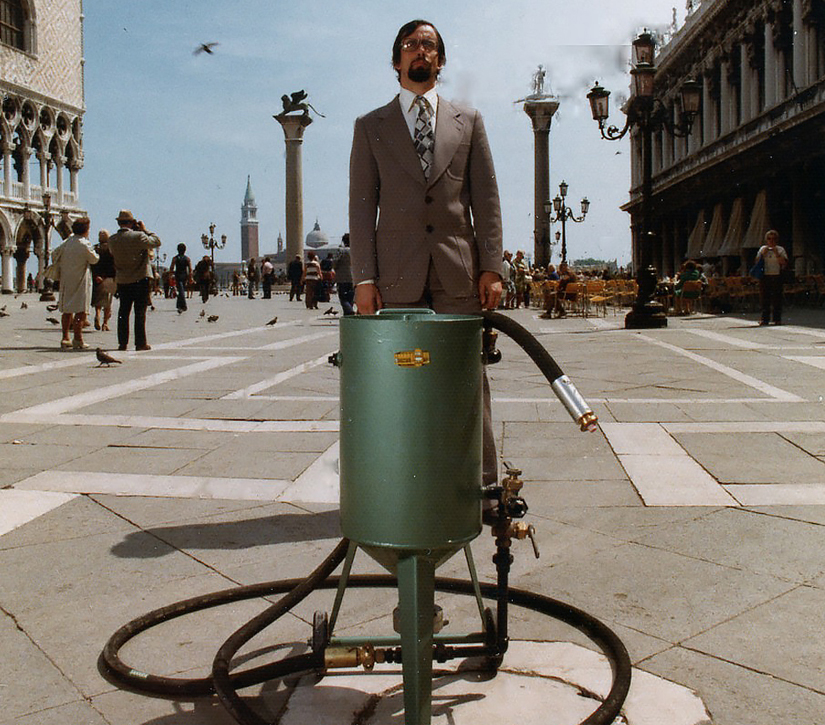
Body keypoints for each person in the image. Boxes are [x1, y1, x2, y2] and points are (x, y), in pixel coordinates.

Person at [349, 19, 503, 489]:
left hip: (458, 272)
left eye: (430, 45)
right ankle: (407, 484)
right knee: (403, 382)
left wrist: (492, 267)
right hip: (397, 278)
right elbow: (361, 206)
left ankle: (481, 484)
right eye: (412, 45)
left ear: (440, 60)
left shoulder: (469, 121)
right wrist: (363, 278)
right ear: (396, 60)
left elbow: (486, 198)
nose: (421, 51)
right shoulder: (369, 126)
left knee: (466, 380)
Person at [108, 209, 161, 351]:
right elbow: (156, 241)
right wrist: (145, 230)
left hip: (123, 280)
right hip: (140, 279)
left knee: (123, 312)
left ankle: (122, 343)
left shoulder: (112, 239)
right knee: (139, 312)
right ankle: (140, 343)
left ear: (119, 223)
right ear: (131, 222)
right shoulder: (139, 236)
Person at [53, 217, 98, 350]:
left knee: (66, 310)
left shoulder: (66, 242)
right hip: (81, 280)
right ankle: (78, 339)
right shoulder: (85, 244)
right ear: (86, 230)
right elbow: (94, 259)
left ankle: (65, 337)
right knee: (80, 311)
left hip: (67, 280)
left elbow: (54, 254)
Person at [754, 229, 788, 326]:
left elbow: (784, 263)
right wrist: (763, 254)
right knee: (765, 298)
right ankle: (765, 319)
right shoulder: (762, 249)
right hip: (765, 276)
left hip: (776, 275)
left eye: (773, 239)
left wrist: (776, 253)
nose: (771, 241)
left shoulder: (780, 249)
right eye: (769, 239)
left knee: (777, 298)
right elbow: (757, 262)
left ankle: (777, 319)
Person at [91, 229, 115, 331]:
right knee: (108, 302)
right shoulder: (112, 249)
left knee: (99, 300)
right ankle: (105, 323)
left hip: (97, 277)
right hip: (109, 277)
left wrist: (96, 275)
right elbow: (114, 264)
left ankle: (97, 314)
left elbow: (92, 263)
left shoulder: (95, 248)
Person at [335, 234, 355, 315]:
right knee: (351, 297)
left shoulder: (341, 250)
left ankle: (349, 311)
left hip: (342, 278)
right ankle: (348, 311)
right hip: (354, 277)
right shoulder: (356, 250)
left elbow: (335, 262)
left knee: (343, 298)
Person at [171, 243, 192, 313]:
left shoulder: (175, 258)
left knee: (181, 290)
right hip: (184, 276)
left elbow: (171, 267)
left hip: (178, 275)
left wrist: (171, 275)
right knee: (181, 290)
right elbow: (190, 269)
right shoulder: (187, 259)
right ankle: (181, 305)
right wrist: (190, 277)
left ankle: (181, 305)